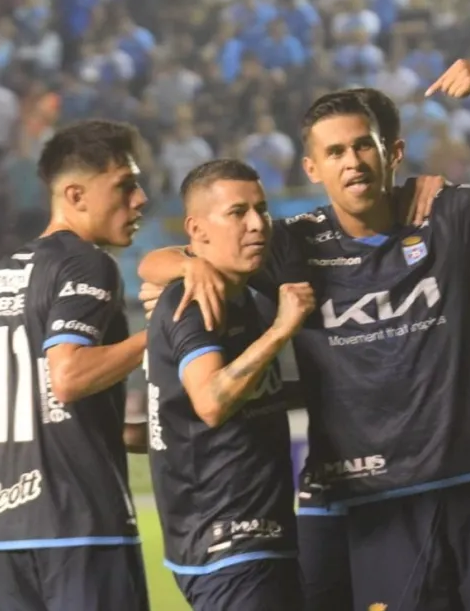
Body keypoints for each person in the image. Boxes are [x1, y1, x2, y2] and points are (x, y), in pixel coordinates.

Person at [141, 59, 470, 610]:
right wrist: (191, 265)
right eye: (335, 152)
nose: (352, 161)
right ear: (314, 169)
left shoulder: (443, 212)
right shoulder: (291, 243)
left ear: (390, 153)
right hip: (371, 498)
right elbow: (157, 260)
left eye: (362, 146)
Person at [0, 120, 150, 611]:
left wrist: (160, 433)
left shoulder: (6, 275)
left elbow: (54, 410)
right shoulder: (87, 264)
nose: (139, 199)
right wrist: (158, 336)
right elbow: (69, 378)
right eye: (124, 184)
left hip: (6, 534)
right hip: (82, 527)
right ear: (75, 194)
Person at [145, 159, 314, 610]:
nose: (257, 224)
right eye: (238, 213)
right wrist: (281, 331)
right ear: (196, 229)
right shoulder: (192, 303)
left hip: (261, 538)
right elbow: (212, 402)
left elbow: (255, 395)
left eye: (262, 210)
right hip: (225, 544)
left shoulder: (249, 298)